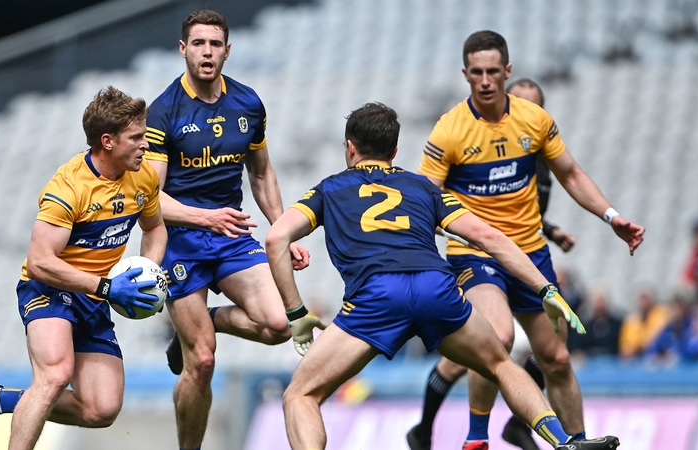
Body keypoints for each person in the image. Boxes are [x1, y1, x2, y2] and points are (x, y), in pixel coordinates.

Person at [266, 102, 620, 450]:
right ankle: (563, 442)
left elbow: (276, 237)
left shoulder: (329, 189)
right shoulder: (424, 187)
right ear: (394, 150)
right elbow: (491, 237)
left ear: (350, 148)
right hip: (436, 287)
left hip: (378, 296)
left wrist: (296, 313)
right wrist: (545, 289)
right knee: (500, 363)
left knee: (301, 394)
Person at [409, 30, 644, 450]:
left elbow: (570, 173)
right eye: (476, 72)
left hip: (530, 253)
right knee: (496, 338)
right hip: (475, 254)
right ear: (465, 74)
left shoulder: (534, 120)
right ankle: (476, 439)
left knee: (556, 359)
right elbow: (426, 199)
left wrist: (611, 216)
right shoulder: (449, 130)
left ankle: (577, 442)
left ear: (507, 71)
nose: (485, 80)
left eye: (493, 72)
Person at [0, 86, 168, 450]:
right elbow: (40, 263)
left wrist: (149, 273)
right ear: (108, 141)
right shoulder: (68, 187)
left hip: (95, 296)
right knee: (55, 376)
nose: (146, 145)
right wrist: (107, 288)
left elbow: (156, 227)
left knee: (101, 409)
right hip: (49, 289)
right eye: (136, 138)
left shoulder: (143, 177)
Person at [142, 10, 312, 450]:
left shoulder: (248, 103)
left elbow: (261, 175)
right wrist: (204, 217)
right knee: (202, 362)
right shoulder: (163, 111)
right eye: (198, 44)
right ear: (183, 49)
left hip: (231, 235)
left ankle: (204, 323)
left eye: (215, 45)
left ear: (227, 50)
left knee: (279, 326)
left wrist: (281, 231)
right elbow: (152, 198)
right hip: (180, 241)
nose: (207, 52)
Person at [412, 77, 579, 450]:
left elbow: (522, 216)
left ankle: (519, 427)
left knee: (552, 354)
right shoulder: (470, 142)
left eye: (529, 105)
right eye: (514, 101)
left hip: (521, 256)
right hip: (478, 255)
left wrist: (550, 230)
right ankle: (435, 431)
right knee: (487, 347)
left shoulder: (541, 162)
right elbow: (446, 202)